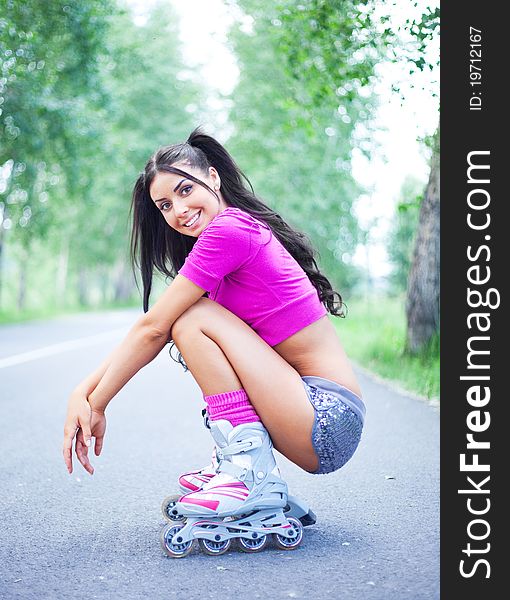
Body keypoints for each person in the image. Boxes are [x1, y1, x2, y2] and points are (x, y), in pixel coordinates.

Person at [63, 128, 365, 554]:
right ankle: (243, 463)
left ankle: (249, 471)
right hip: (308, 414)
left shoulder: (230, 230)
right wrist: (83, 391)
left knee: (191, 319)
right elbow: (151, 327)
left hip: (327, 417)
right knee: (188, 317)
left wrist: (97, 401)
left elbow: (154, 327)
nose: (179, 210)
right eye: (164, 205)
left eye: (186, 190)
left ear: (214, 177)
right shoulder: (220, 245)